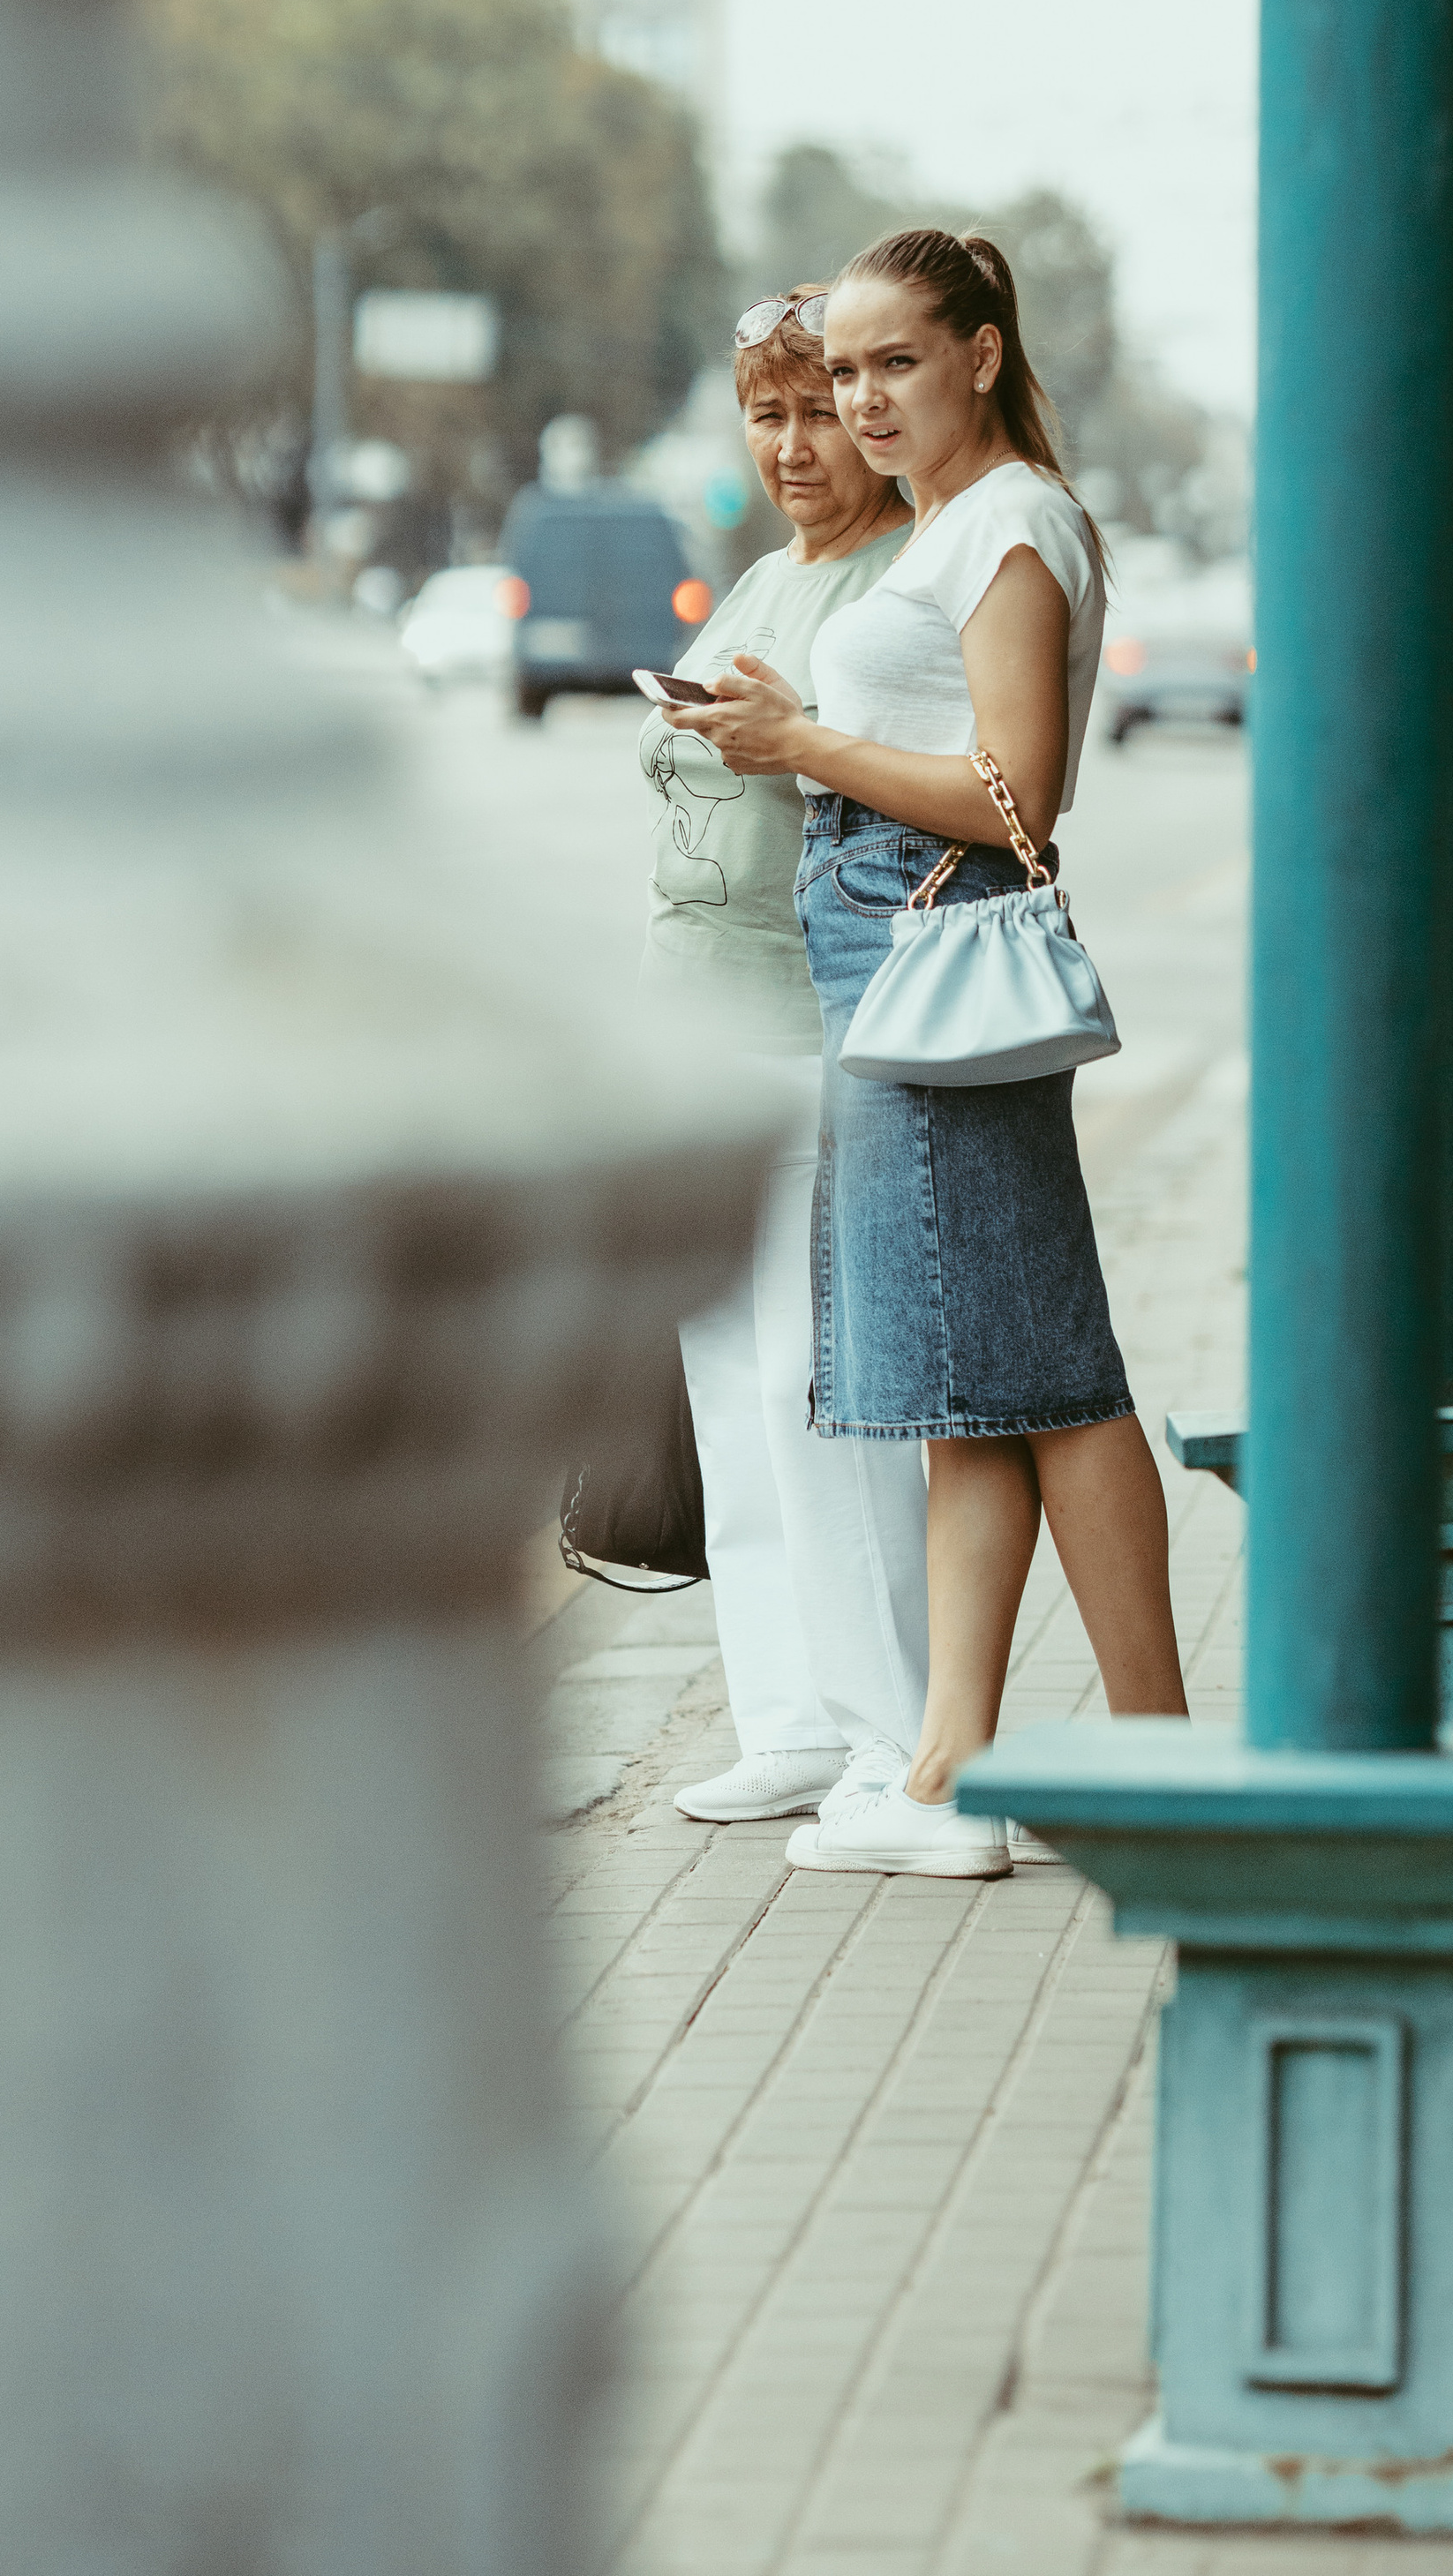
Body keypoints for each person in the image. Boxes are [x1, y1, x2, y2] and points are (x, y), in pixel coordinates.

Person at [660, 228, 1187, 1878]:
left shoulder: (1014, 520)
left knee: (1056, 1383)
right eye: (846, 372)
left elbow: (1023, 801)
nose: (865, 401)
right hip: (880, 959)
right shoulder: (954, 525)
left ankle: (1158, 1760)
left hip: (934, 963)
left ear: (979, 351)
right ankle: (954, 1756)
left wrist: (803, 741)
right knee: (979, 1385)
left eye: (896, 364)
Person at [638, 289, 931, 1825]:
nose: (798, 444)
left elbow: (901, 783)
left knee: (819, 1381)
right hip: (696, 1017)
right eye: (771, 415)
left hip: (819, 1016)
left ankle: (887, 1726)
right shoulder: (761, 574)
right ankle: (790, 1721)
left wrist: (791, 736)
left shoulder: (894, 584)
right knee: (727, 1393)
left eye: (822, 410)